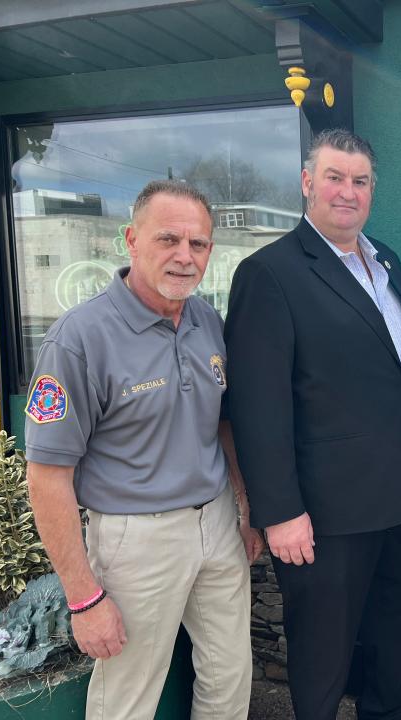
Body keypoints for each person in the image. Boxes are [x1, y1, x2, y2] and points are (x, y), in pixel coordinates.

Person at [25, 180, 264, 720]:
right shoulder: (80, 338)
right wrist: (84, 597)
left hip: (218, 523)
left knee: (229, 676)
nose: (185, 256)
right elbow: (46, 477)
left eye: (198, 244)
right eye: (168, 239)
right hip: (137, 538)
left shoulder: (207, 321)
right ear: (131, 240)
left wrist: (246, 506)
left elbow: (221, 423)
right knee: (128, 696)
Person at [224, 128, 401, 720]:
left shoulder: (385, 259)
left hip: (392, 494)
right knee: (323, 645)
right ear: (307, 183)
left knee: (400, 610)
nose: (348, 191)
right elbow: (256, 404)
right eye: (335, 178)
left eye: (360, 180)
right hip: (322, 509)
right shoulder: (269, 273)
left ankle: (388, 711)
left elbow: (396, 373)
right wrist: (279, 511)